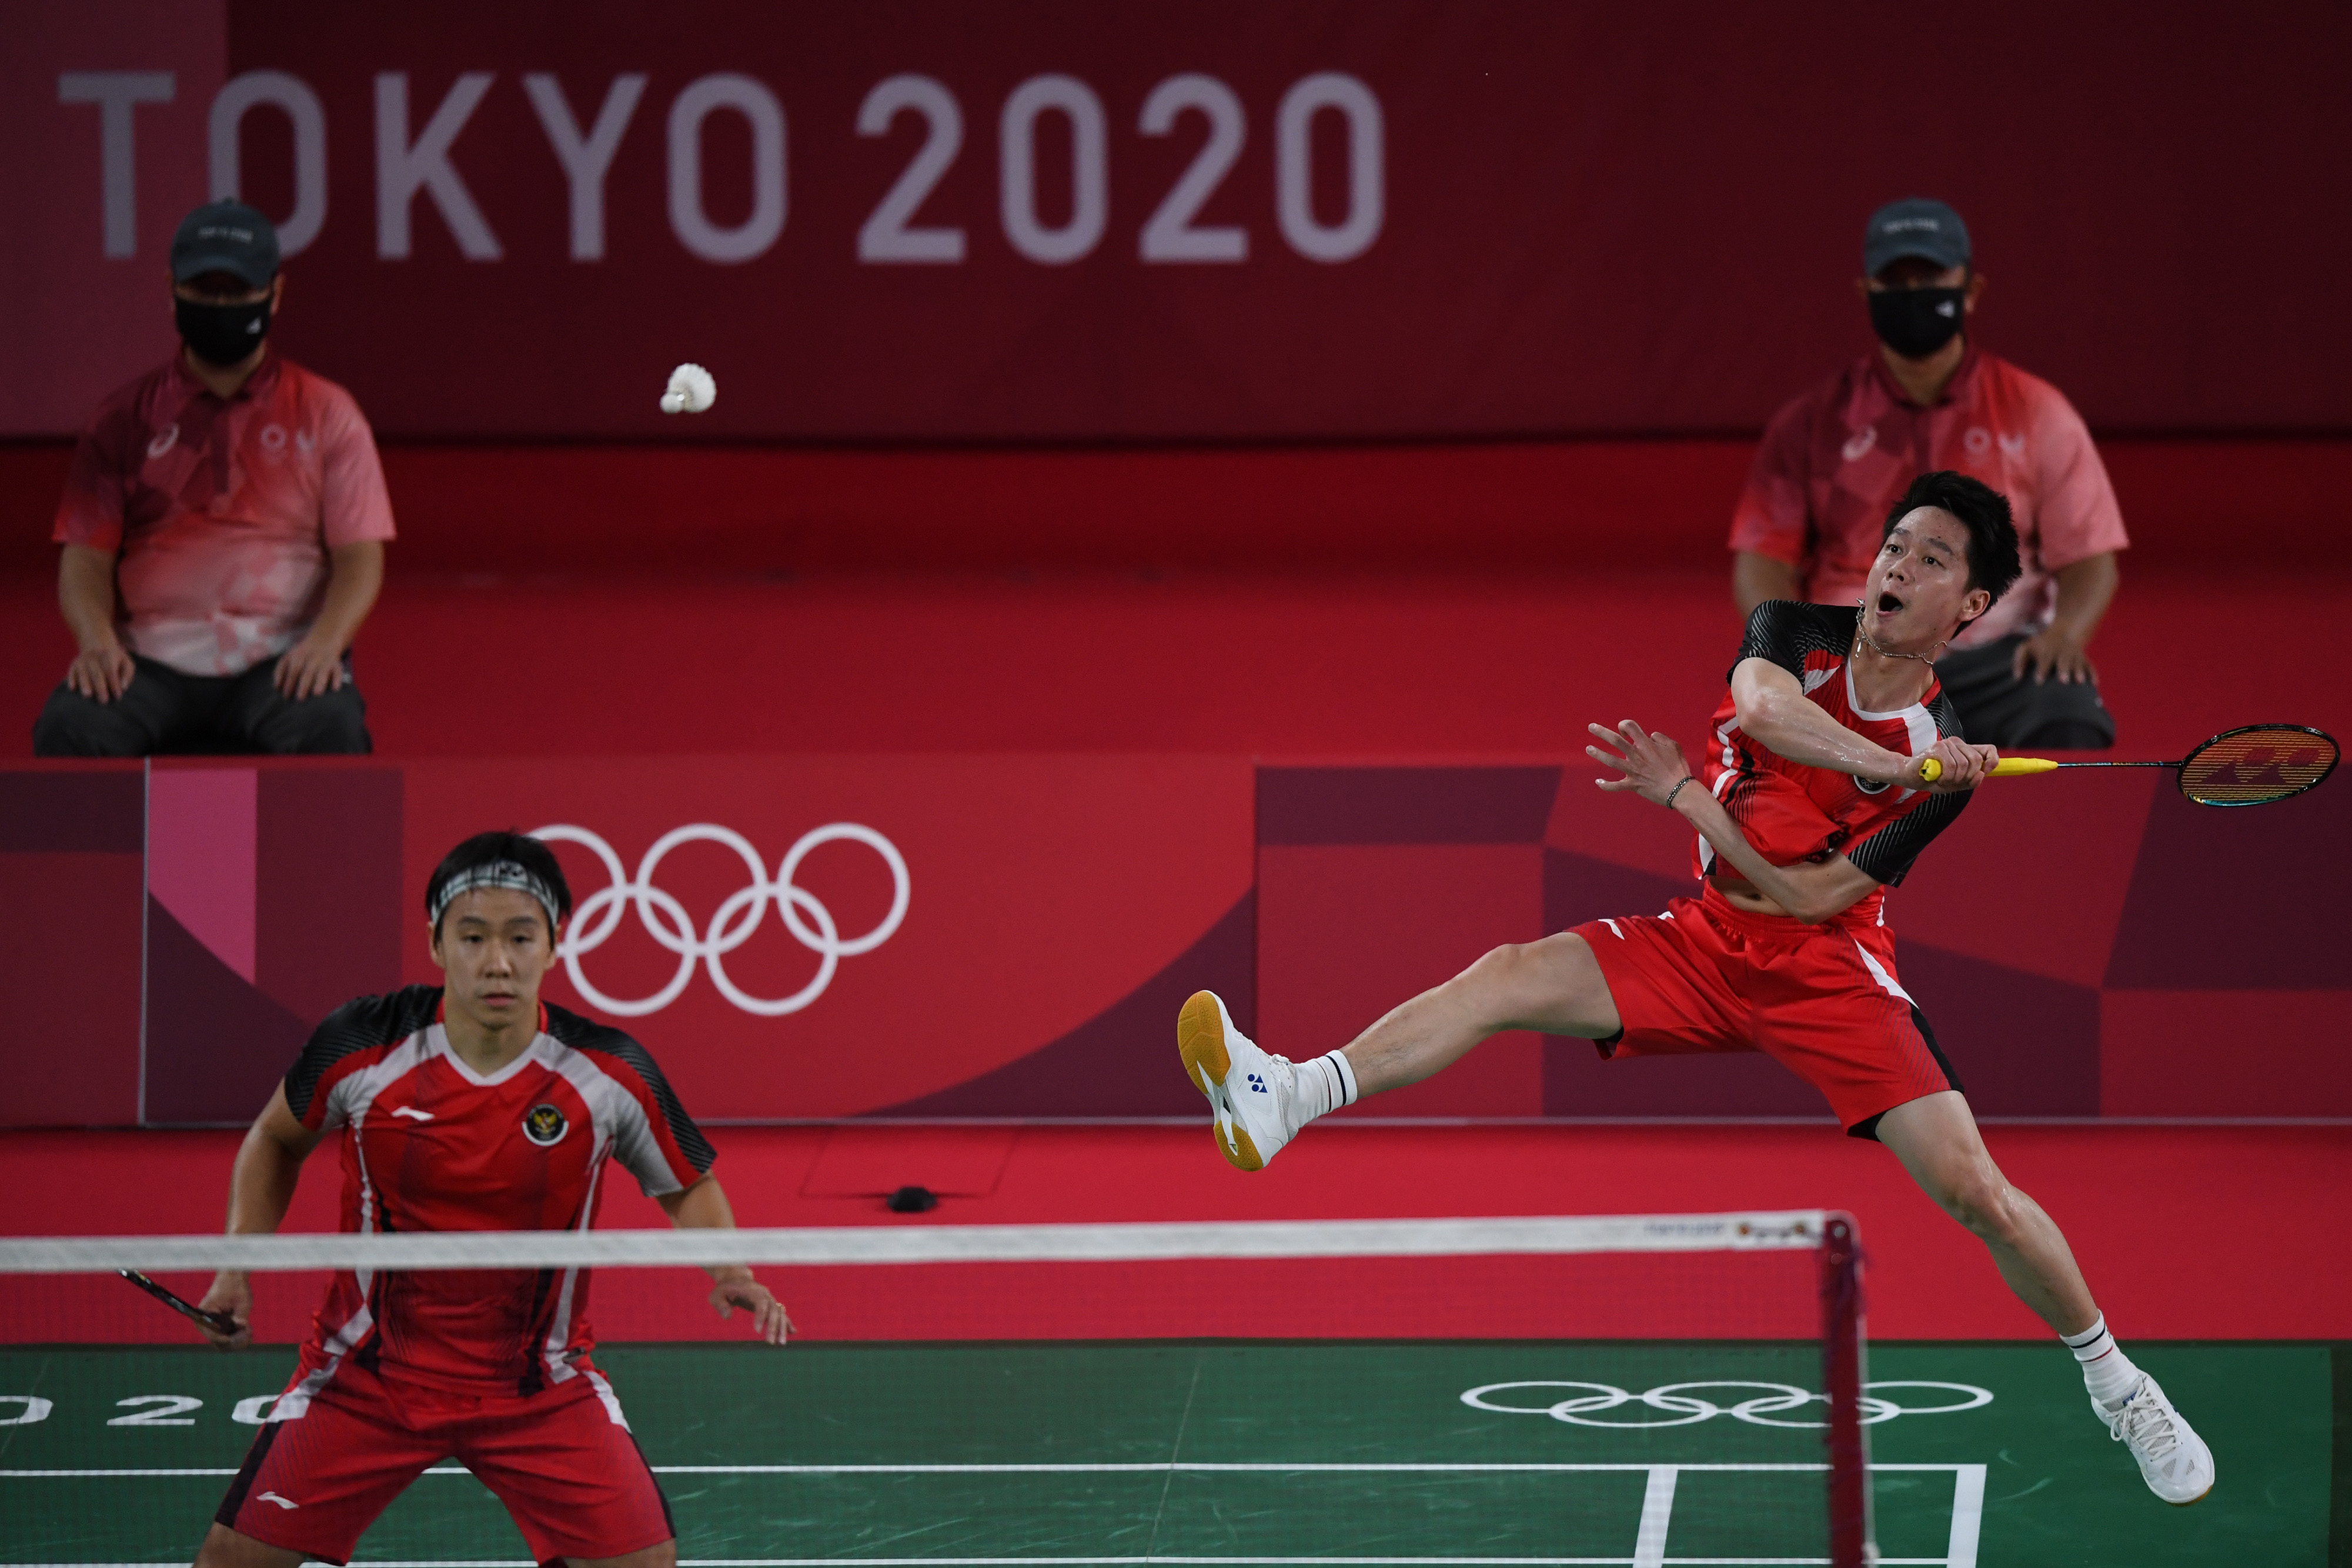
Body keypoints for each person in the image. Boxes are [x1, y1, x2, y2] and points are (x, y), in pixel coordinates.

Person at [1180, 471, 2213, 1508]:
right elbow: (1767, 708)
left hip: (1827, 974)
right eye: (1895, 544)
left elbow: (1812, 898)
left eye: (1932, 559)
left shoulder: (1936, 771)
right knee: (1507, 975)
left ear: (1972, 608)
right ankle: (1288, 1095)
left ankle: (2118, 1383)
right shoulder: (1798, 632)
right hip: (1704, 942)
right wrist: (1899, 770)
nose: (1896, 566)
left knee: (1977, 1192)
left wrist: (1697, 802)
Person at [191, 830, 790, 1568]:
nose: (497, 962)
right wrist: (235, 1266)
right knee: (233, 1565)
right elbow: (276, 1139)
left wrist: (729, 1271)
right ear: (437, 943)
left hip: (538, 1386)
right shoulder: (364, 1044)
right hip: (367, 1378)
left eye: (519, 937)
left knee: (643, 1565)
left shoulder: (607, 1072)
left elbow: (687, 1181)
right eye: (473, 937)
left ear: (555, 943)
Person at [1730, 197, 2126, 752]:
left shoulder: (2037, 411)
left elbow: (2091, 562)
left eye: (1931, 276)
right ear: (1866, 293)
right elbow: (1761, 564)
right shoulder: (1810, 424)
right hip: (1860, 659)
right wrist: (1788, 648)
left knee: (2068, 711)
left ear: (1971, 289)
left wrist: (2066, 634)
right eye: (1895, 280)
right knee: (1767, 723)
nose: (1914, 292)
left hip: (2000, 659)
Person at [33, 200, 393, 757]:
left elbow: (360, 557)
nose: (221, 304)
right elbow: (84, 558)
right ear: (171, 288)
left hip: (278, 663)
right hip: (147, 664)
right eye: (205, 289)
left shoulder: (328, 412)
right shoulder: (121, 417)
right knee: (71, 726)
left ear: (274, 293)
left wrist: (325, 643)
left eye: (237, 289)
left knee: (332, 727)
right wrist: (96, 640)